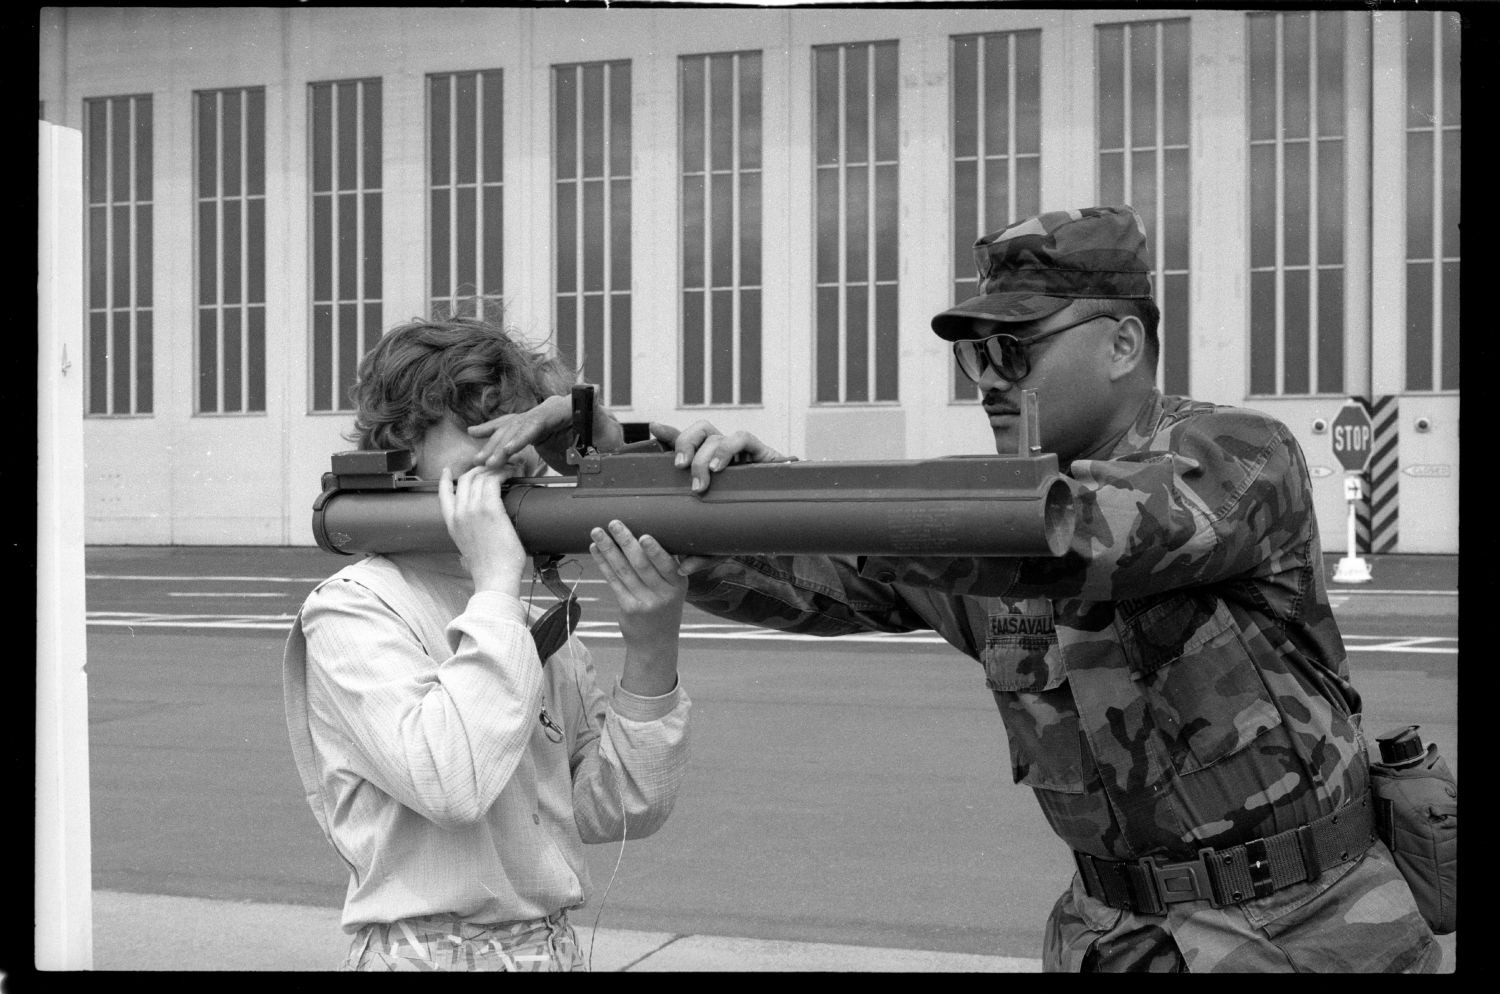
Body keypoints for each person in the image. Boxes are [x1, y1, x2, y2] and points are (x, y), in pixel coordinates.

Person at [467, 206, 1439, 973]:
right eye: (974, 353)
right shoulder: (976, 521)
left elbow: (1083, 534)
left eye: (1016, 348)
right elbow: (800, 578)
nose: (988, 377)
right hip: (1119, 933)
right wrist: (644, 469)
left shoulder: (1235, 458)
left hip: (1308, 929)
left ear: (1124, 346)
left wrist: (799, 490)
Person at [282, 313, 691, 972]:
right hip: (427, 954)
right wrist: (496, 584)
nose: (518, 452)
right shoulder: (354, 608)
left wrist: (651, 646)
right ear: (405, 442)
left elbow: (616, 812)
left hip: (548, 949)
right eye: (483, 424)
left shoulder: (526, 608)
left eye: (525, 426)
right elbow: (450, 782)